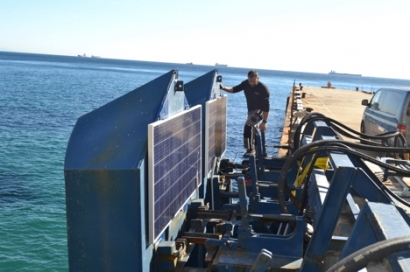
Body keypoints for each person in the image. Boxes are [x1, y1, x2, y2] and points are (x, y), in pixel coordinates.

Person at [220, 70, 270, 156]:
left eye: (254, 81)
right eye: (250, 81)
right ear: (248, 79)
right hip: (251, 112)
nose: (251, 83)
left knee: (248, 125)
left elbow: (267, 107)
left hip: (260, 111)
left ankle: (250, 149)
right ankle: (259, 154)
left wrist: (264, 122)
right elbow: (234, 89)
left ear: (258, 78)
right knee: (253, 130)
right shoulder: (245, 84)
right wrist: (224, 88)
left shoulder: (263, 89)